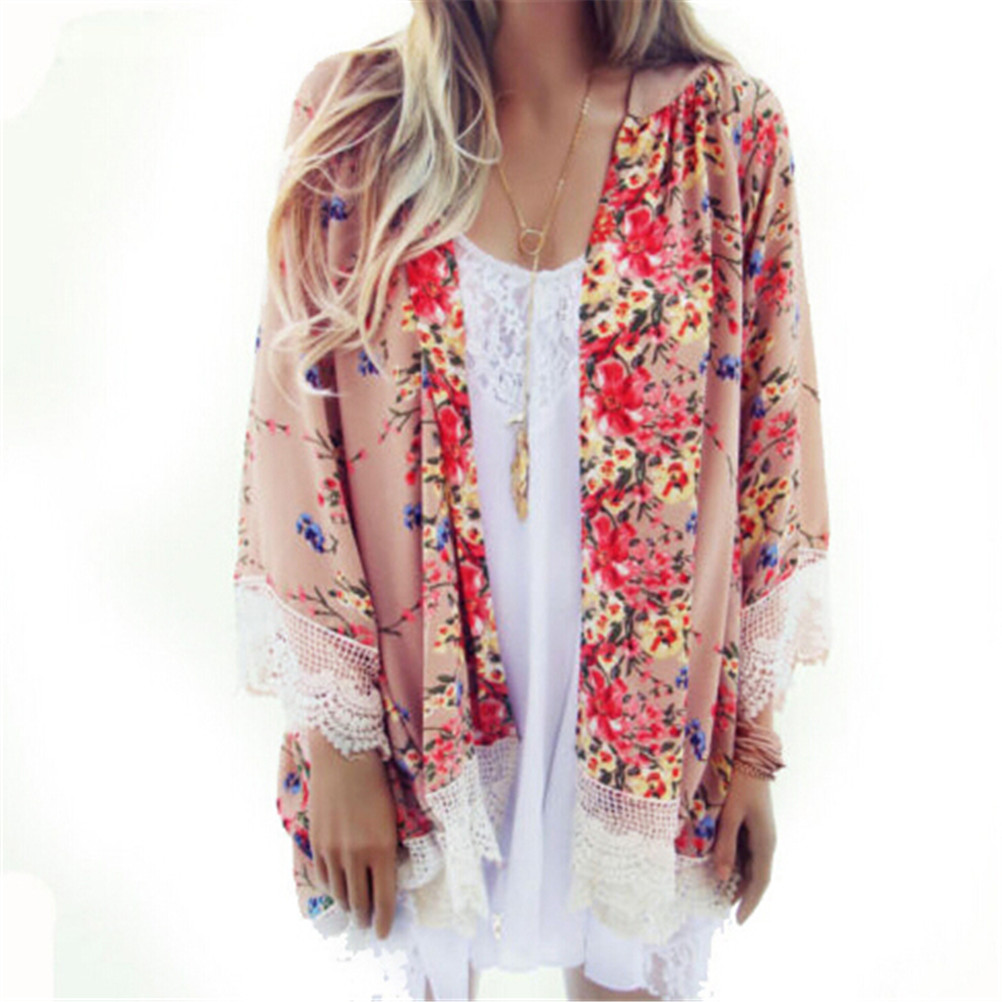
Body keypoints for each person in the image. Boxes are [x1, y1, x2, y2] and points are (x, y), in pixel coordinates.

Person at [232, 2, 832, 1000]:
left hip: (646, 722)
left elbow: (775, 442)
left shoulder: (727, 131)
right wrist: (340, 745)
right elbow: (292, 434)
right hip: (419, 709)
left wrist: (756, 751)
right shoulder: (356, 123)